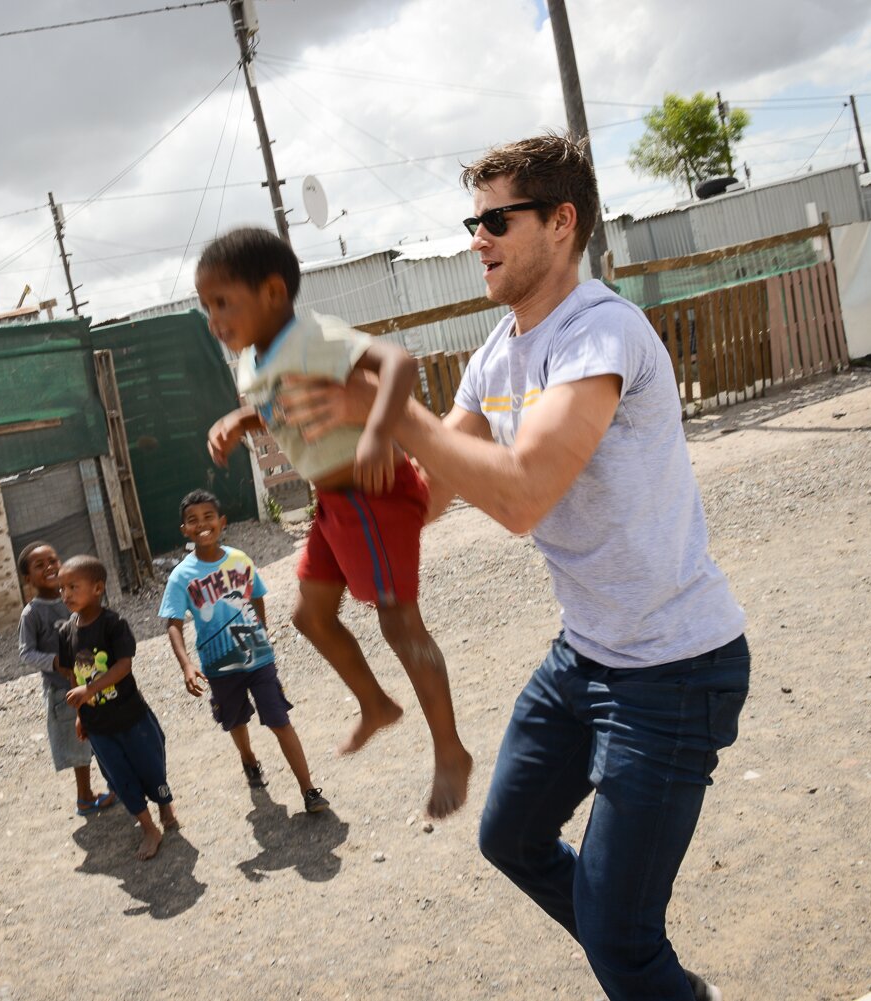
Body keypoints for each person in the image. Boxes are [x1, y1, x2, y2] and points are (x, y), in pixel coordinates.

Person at [282, 132, 747, 1001]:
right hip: (588, 655)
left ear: (562, 223)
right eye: (473, 219)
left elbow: (524, 494)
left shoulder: (599, 333)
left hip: (675, 671)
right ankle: (638, 956)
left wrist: (393, 408)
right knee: (513, 838)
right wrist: (348, 487)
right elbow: (427, 492)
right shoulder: (500, 350)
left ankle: (632, 954)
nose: (477, 238)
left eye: (497, 218)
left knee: (618, 938)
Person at [197, 226, 473, 821]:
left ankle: (451, 750)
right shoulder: (254, 361)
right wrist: (245, 420)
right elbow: (283, 407)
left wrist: (378, 432)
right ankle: (376, 704)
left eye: (222, 302)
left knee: (402, 624)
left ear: (272, 291)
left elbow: (398, 361)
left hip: (371, 495)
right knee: (310, 616)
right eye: (206, 307)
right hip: (333, 502)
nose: (213, 318)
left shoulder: (310, 335)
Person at [159, 488, 329, 814]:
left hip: (259, 658)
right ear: (185, 530)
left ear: (222, 522)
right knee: (235, 719)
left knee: (279, 719)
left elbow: (257, 595)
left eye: (208, 517)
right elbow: (173, 624)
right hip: (218, 666)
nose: (202, 524)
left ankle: (309, 790)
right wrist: (186, 666)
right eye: (192, 520)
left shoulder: (240, 559)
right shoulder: (181, 577)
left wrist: (261, 631)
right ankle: (248, 759)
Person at [57, 555, 178, 860]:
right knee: (119, 776)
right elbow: (72, 675)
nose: (66, 594)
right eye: (62, 588)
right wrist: (80, 714)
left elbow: (124, 665)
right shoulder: (65, 632)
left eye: (73, 586)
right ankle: (149, 827)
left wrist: (91, 689)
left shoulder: (113, 624)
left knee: (151, 766)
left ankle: (165, 804)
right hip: (99, 726)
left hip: (132, 717)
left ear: (98, 588)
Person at [17, 541, 115, 817]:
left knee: (105, 733)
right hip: (64, 692)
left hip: (94, 682)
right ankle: (84, 796)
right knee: (78, 745)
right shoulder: (32, 613)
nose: (49, 567)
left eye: (53, 560)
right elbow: (26, 652)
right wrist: (54, 662)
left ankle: (116, 785)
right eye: (40, 565)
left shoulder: (75, 598)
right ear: (28, 579)